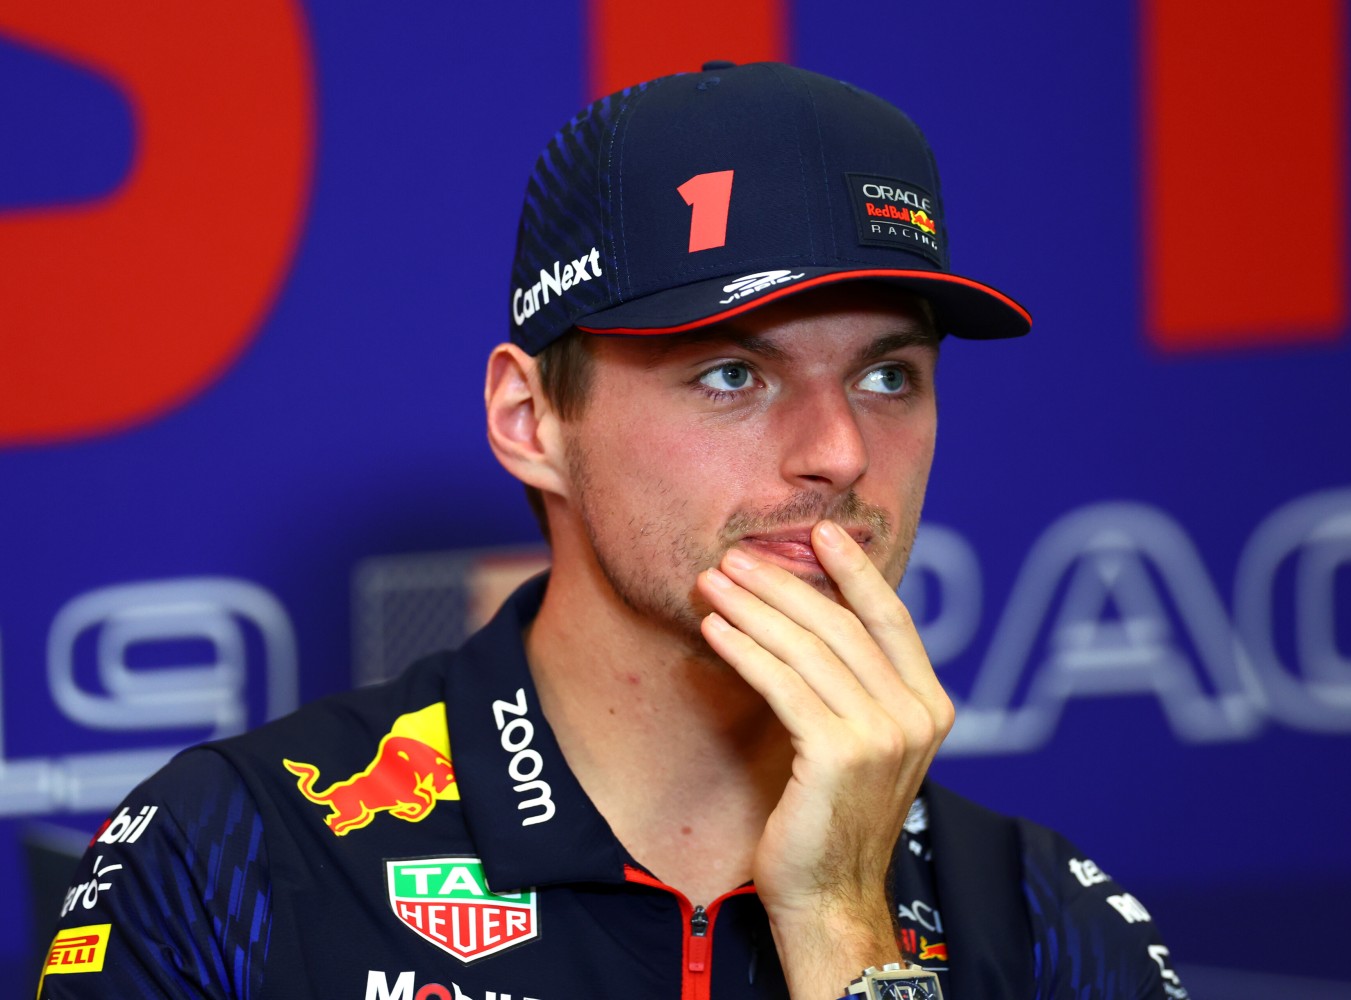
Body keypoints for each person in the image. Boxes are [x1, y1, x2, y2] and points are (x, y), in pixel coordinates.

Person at [40, 62, 1187, 1000]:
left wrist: (844, 918)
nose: (838, 451)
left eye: (889, 376)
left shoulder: (1045, 921)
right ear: (531, 419)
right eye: (733, 374)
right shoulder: (231, 857)